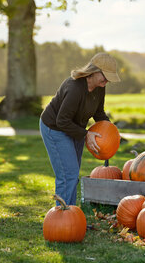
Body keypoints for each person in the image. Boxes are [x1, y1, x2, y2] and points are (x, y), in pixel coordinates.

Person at [39, 52, 120, 205]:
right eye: (105, 75)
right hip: (55, 128)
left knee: (72, 174)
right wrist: (86, 134)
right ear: (94, 71)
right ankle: (62, 219)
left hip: (75, 128)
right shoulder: (75, 88)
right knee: (67, 174)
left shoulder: (99, 87)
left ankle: (70, 213)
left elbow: (99, 113)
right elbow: (62, 121)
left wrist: (111, 131)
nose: (107, 80)